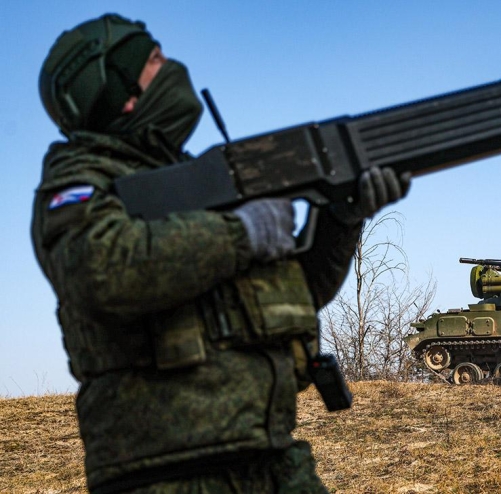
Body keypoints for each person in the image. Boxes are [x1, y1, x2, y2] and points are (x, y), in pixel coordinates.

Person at [33, 13, 410, 494]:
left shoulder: (202, 180)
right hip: (164, 475)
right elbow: (100, 269)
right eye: (154, 61)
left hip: (270, 459)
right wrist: (240, 234)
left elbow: (298, 294)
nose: (172, 68)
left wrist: (342, 218)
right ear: (116, 90)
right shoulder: (78, 182)